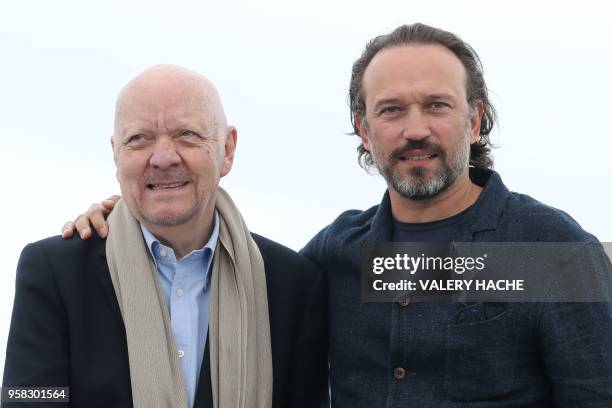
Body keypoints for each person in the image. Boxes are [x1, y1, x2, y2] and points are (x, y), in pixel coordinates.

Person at [59, 24, 612, 407]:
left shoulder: (553, 254)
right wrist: (127, 220)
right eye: (390, 110)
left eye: (437, 106)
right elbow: (230, 277)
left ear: (475, 120)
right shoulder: (336, 255)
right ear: (364, 131)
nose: (414, 128)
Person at [2, 65, 328, 408]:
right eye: (138, 139)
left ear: (227, 149)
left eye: (186, 134)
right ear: (116, 154)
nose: (162, 158)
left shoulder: (293, 284)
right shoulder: (55, 272)